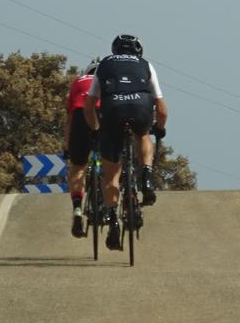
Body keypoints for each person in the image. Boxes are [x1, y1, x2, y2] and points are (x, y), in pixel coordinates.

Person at [84, 34, 168, 251]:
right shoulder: (146, 65)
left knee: (111, 175)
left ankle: (112, 220)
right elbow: (162, 109)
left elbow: (89, 105)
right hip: (141, 107)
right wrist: (159, 128)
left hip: (112, 109)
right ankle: (146, 176)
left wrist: (96, 131)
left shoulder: (104, 64)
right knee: (142, 135)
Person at [64, 59, 101, 238]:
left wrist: (67, 146)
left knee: (78, 167)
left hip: (80, 115)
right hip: (101, 114)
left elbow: (69, 120)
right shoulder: (108, 78)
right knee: (111, 162)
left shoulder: (78, 82)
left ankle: (78, 207)